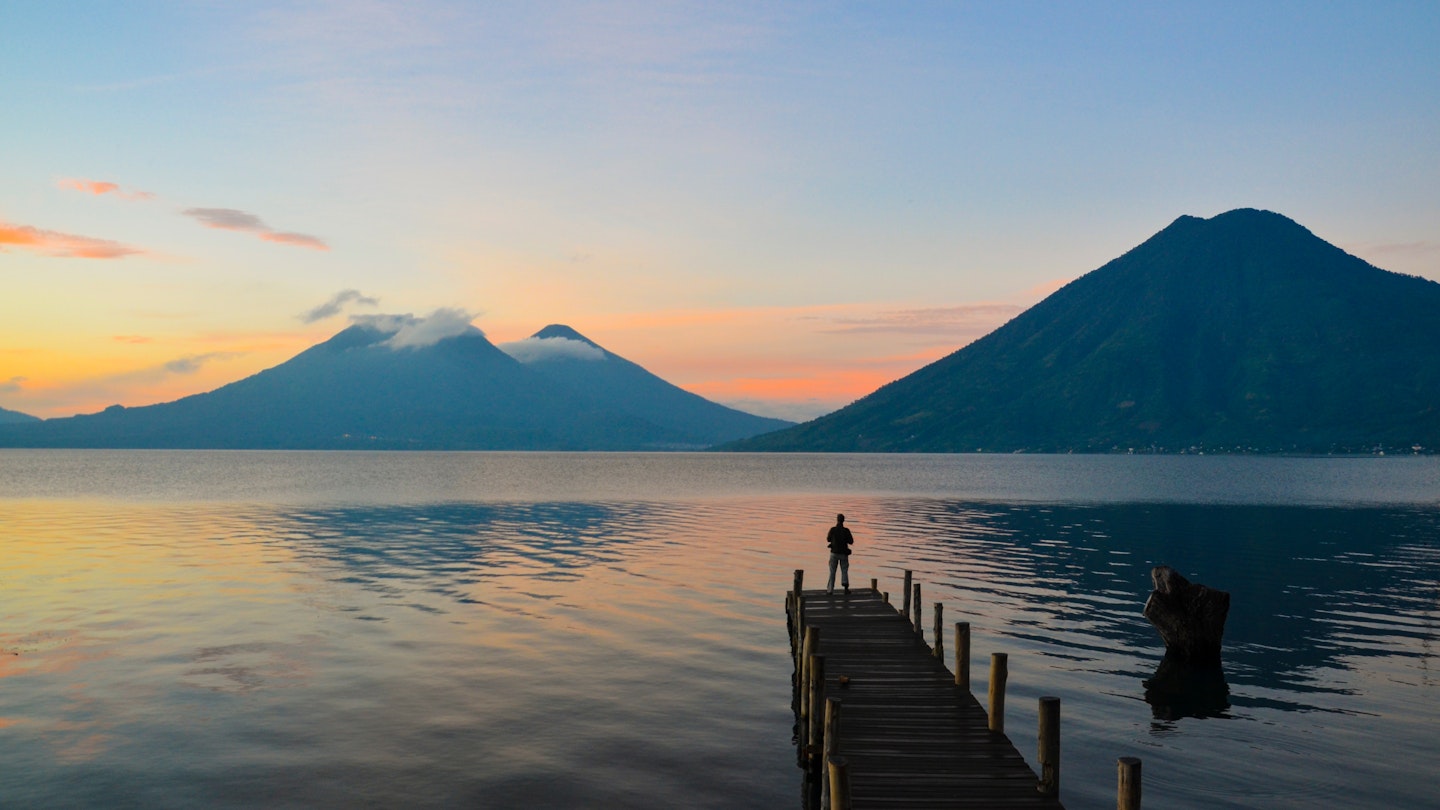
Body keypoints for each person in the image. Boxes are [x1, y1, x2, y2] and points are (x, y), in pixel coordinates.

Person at [826, 513, 854, 594]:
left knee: (832, 571)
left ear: (837, 520)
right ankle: (845, 589)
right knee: (844, 570)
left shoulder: (832, 530)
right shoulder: (846, 531)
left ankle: (830, 590)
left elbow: (828, 539)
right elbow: (851, 541)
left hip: (834, 553)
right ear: (843, 521)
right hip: (843, 554)